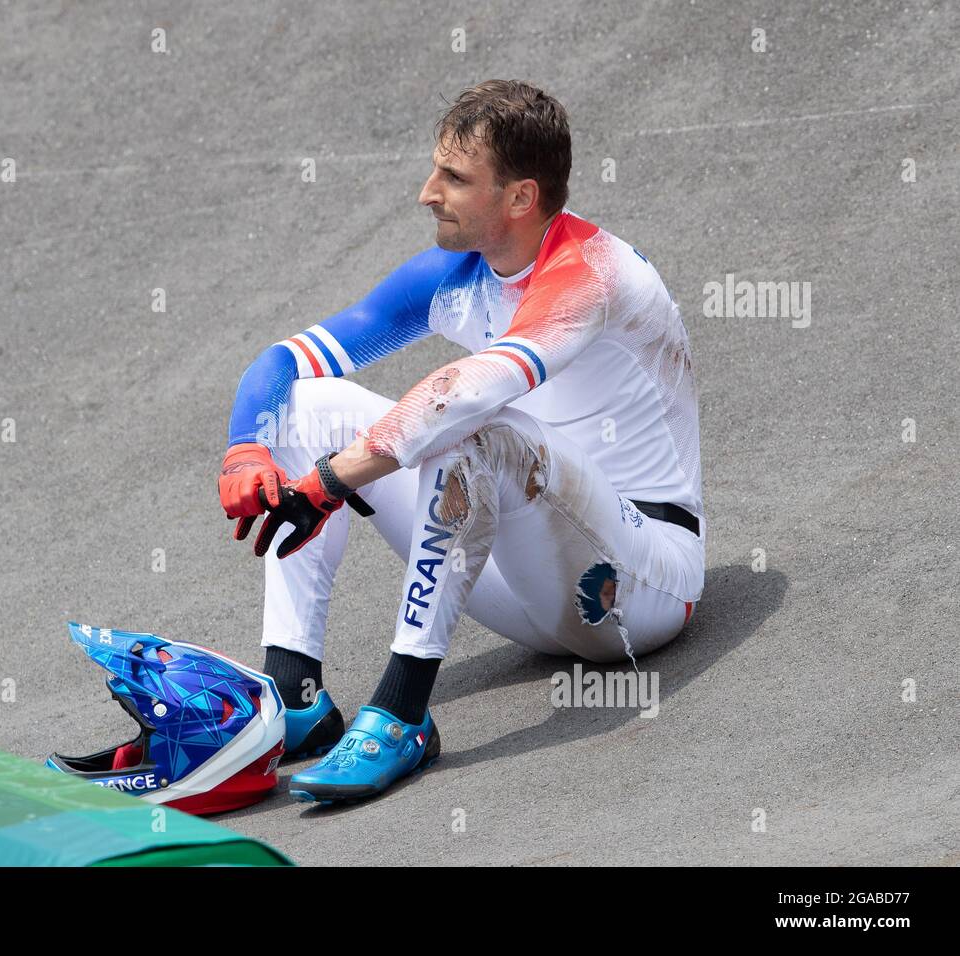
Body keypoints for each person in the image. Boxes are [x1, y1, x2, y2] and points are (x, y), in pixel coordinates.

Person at [218, 79, 705, 806]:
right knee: (309, 406)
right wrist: (246, 450)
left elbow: (468, 393)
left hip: (637, 588)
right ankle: (297, 693)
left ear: (520, 197)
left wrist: (327, 483)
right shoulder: (456, 275)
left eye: (453, 177)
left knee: (479, 427)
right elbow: (284, 362)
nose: (426, 192)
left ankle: (402, 714)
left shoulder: (591, 275)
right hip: (525, 586)